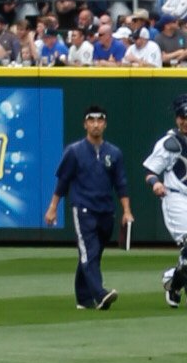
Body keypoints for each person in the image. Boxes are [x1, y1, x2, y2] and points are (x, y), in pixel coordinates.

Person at [46, 107, 125, 311]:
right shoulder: (74, 151)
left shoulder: (114, 153)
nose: (96, 124)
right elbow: (63, 181)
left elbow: (121, 184)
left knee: (93, 253)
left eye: (100, 121)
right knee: (89, 252)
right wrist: (53, 207)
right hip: (83, 208)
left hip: (106, 210)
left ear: (105, 124)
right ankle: (100, 294)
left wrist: (127, 210)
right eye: (91, 120)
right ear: (85, 124)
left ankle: (83, 298)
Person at [144, 102, 187, 309]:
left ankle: (175, 280)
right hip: (177, 197)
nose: (185, 121)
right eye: (182, 117)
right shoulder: (170, 143)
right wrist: (156, 183)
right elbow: (151, 172)